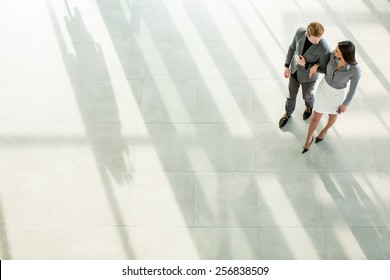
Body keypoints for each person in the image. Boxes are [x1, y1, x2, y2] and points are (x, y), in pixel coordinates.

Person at [302, 40, 361, 153]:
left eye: (338, 50)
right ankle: (308, 138)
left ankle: (324, 130)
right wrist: (316, 65)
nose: (334, 51)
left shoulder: (355, 70)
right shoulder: (333, 55)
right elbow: (323, 64)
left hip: (337, 94)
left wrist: (345, 104)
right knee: (316, 116)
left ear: (345, 54)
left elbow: (353, 89)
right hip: (324, 89)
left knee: (332, 115)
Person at [279, 22, 331, 128]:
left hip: (309, 77)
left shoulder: (324, 47)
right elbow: (292, 48)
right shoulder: (300, 32)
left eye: (319, 38)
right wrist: (286, 66)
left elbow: (325, 69)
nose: (318, 41)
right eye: (315, 39)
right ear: (307, 34)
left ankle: (309, 107)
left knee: (307, 96)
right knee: (291, 95)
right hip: (294, 71)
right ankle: (287, 114)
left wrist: (307, 64)